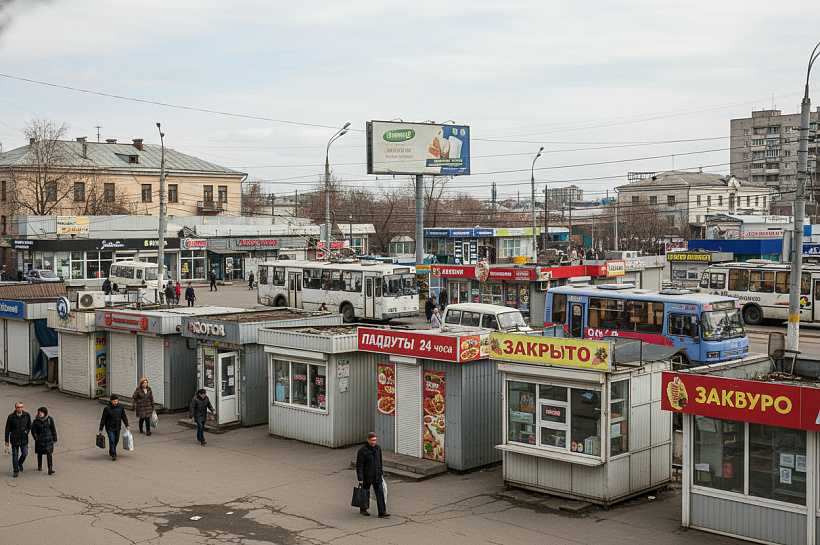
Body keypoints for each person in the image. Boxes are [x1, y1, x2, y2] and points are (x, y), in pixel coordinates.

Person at [356, 432, 389, 518]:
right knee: (365, 493)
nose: (374, 442)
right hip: (367, 476)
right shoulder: (362, 451)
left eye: (375, 440)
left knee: (380, 493)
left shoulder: (378, 448)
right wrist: (360, 478)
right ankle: (363, 509)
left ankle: (382, 512)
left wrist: (381, 473)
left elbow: (380, 462)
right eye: (372, 440)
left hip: (377, 475)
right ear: (368, 440)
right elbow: (359, 465)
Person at [98, 394, 129, 461]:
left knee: (116, 440)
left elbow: (124, 417)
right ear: (111, 401)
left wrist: (127, 425)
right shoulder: (107, 409)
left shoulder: (120, 408)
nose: (116, 402)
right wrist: (101, 429)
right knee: (112, 440)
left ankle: (111, 449)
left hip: (117, 427)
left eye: (117, 401)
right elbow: (103, 419)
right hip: (109, 427)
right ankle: (113, 454)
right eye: (114, 401)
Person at [4, 401, 31, 477]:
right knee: (15, 455)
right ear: (15, 408)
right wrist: (6, 440)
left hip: (24, 439)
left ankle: (19, 463)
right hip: (15, 439)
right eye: (18, 407)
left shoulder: (26, 415)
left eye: (21, 407)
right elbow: (7, 429)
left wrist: (27, 431)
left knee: (25, 453)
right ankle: (15, 470)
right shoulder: (11, 417)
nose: (20, 409)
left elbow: (29, 424)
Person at [31, 406, 57, 475]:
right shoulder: (36, 420)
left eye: (41, 412)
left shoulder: (49, 419)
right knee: (40, 453)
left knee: (49, 454)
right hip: (40, 440)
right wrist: (36, 438)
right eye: (39, 412)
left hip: (49, 439)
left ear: (45, 413)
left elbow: (53, 429)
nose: (40, 414)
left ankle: (50, 469)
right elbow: (33, 430)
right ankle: (39, 465)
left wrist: (55, 438)